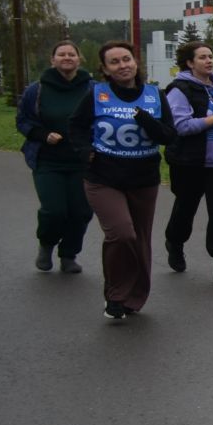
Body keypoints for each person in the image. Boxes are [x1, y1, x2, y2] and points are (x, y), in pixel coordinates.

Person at [75, 41, 178, 320]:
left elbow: (168, 135)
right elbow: (76, 128)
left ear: (136, 62)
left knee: (141, 239)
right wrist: (86, 153)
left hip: (143, 178)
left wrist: (146, 121)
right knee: (122, 233)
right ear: (105, 69)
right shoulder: (97, 94)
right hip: (103, 177)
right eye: (115, 62)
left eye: (126, 59)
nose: (122, 66)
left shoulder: (154, 95)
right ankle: (115, 294)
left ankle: (134, 298)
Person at [161, 40, 213, 283]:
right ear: (189, 63)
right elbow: (181, 126)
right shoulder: (180, 89)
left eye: (210, 56)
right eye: (202, 57)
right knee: (186, 207)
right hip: (190, 161)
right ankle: (175, 242)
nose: (209, 61)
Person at [16, 40, 94, 273]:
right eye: (61, 54)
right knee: (54, 210)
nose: (67, 57)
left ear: (79, 59)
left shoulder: (92, 88)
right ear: (53, 60)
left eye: (72, 54)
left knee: (81, 211)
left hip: (82, 161)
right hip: (48, 160)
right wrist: (42, 134)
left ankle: (69, 255)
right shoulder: (37, 89)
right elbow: (23, 121)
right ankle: (47, 244)